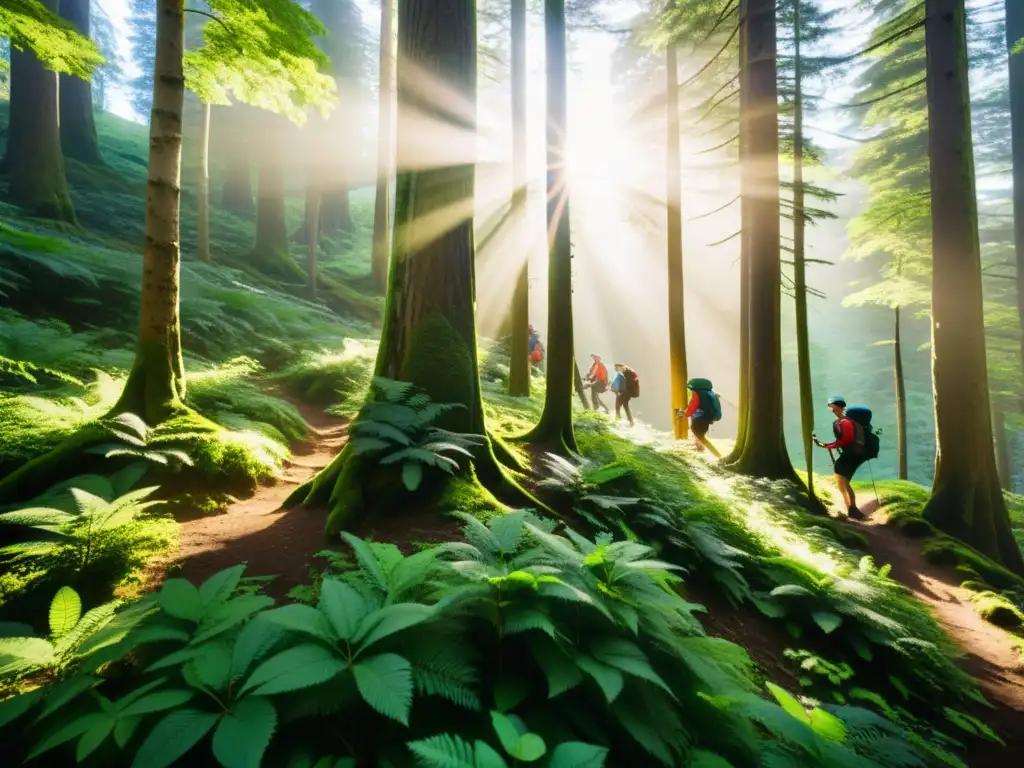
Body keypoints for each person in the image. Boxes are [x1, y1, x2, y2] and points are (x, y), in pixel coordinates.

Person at [813, 396, 867, 520]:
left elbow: (846, 440)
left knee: (844, 482)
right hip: (848, 454)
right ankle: (849, 507)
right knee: (841, 482)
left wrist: (828, 445)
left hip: (849, 455)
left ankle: (853, 509)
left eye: (835, 408)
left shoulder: (845, 422)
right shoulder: (842, 422)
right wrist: (826, 445)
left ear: (841, 408)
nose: (833, 411)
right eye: (832, 408)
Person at [681, 378, 722, 458]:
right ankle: (699, 447)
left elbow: (693, 404)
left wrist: (686, 414)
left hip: (699, 417)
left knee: (700, 436)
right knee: (700, 434)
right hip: (707, 417)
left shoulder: (696, 393)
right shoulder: (709, 393)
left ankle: (718, 456)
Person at [610, 363, 638, 427]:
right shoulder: (623, 374)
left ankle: (617, 421)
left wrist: (617, 392)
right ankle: (631, 422)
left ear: (620, 367)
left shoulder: (621, 374)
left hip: (622, 393)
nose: (615, 369)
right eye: (615, 367)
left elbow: (620, 384)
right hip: (626, 393)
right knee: (626, 407)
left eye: (616, 367)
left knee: (617, 406)